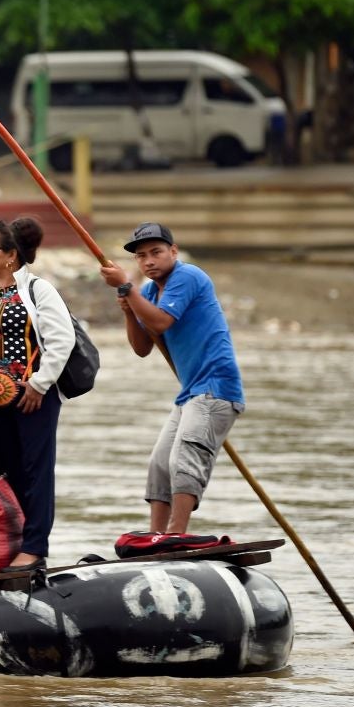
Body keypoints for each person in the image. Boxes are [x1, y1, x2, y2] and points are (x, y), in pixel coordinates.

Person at [99, 222, 245, 534]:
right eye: (141, 256)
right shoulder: (149, 292)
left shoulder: (187, 276)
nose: (149, 261)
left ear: (173, 252)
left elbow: (162, 322)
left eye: (156, 252)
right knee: (160, 463)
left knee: (184, 459)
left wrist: (127, 288)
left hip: (215, 387)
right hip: (191, 391)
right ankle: (156, 536)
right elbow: (142, 347)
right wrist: (128, 310)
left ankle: (176, 532)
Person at [0, 216, 74, 570]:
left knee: (37, 469)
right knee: (9, 470)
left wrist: (39, 384)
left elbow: (61, 339)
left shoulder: (38, 289)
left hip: (31, 396)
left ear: (11, 256)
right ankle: (14, 539)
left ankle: (35, 547)